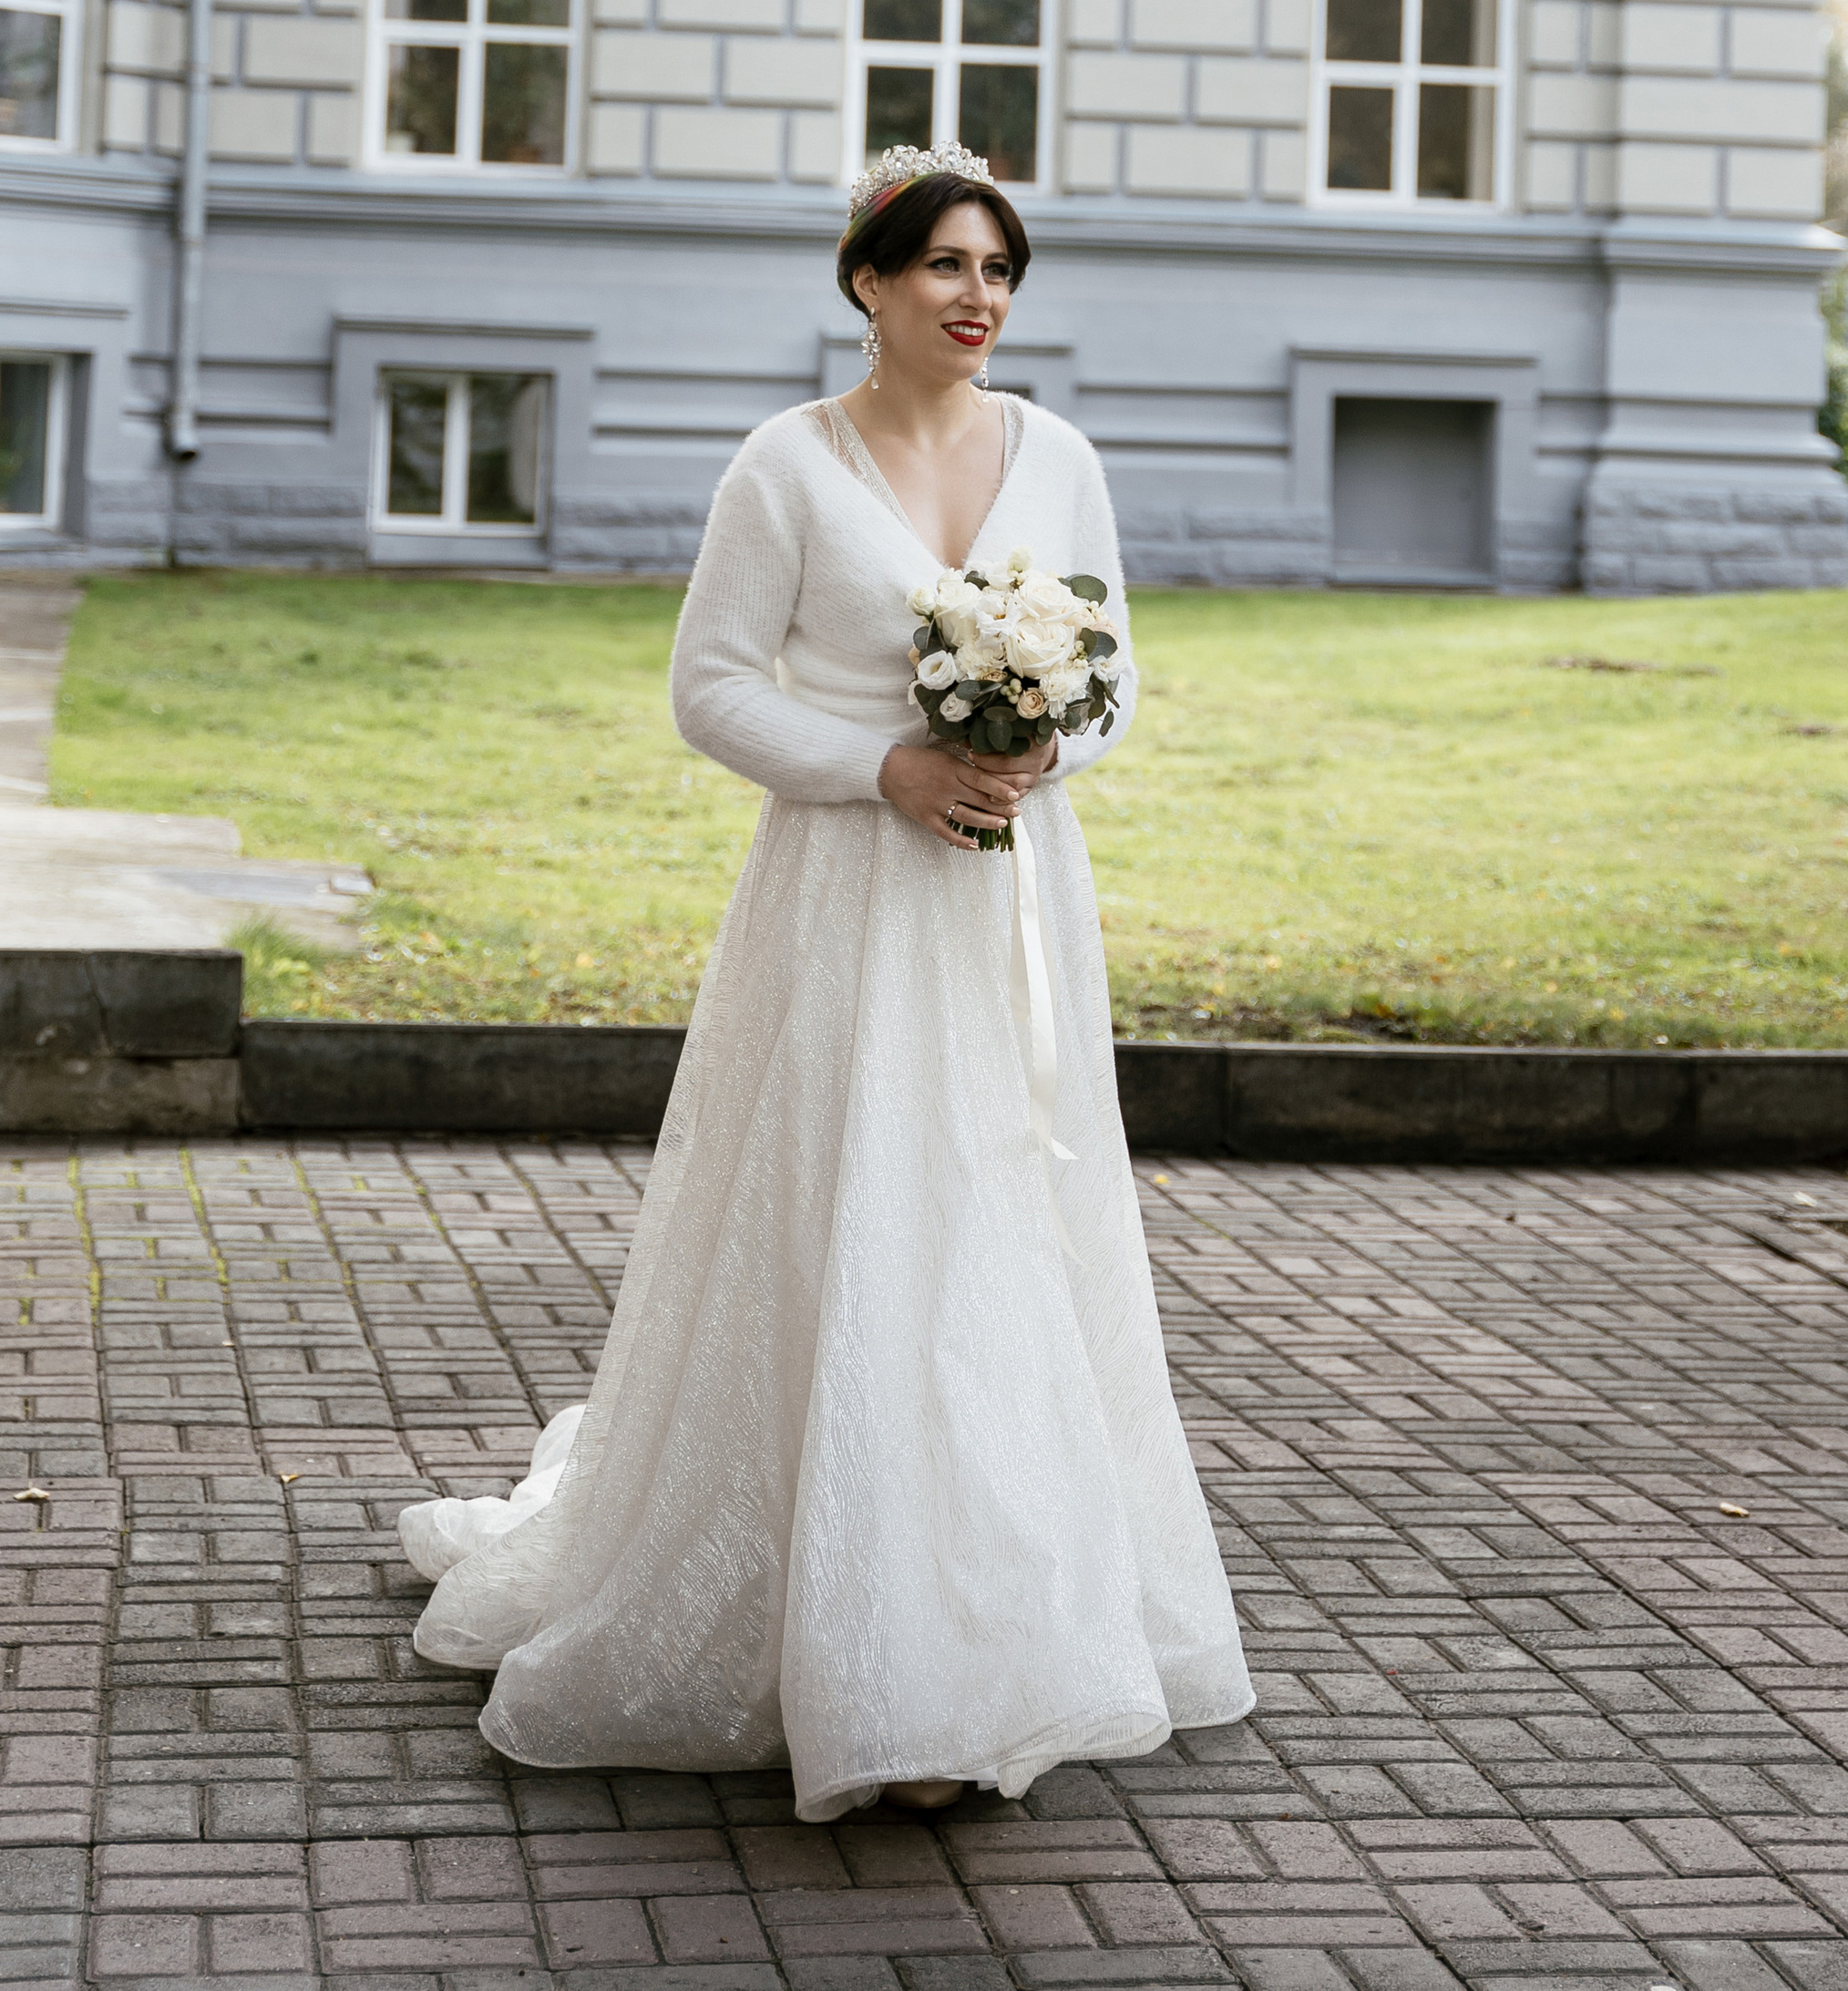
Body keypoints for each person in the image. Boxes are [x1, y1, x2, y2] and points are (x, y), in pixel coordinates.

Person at [398, 139, 1255, 1819]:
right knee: (856, 1214)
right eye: (945, 265)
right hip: (849, 892)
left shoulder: (1059, 458)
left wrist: (1029, 755)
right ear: (870, 282)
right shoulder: (786, 471)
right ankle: (843, 1641)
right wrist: (890, 770)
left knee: (1004, 1220)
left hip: (1009, 900)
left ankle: (996, 1633)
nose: (978, 298)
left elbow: (1121, 676)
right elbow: (712, 690)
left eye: (999, 271)